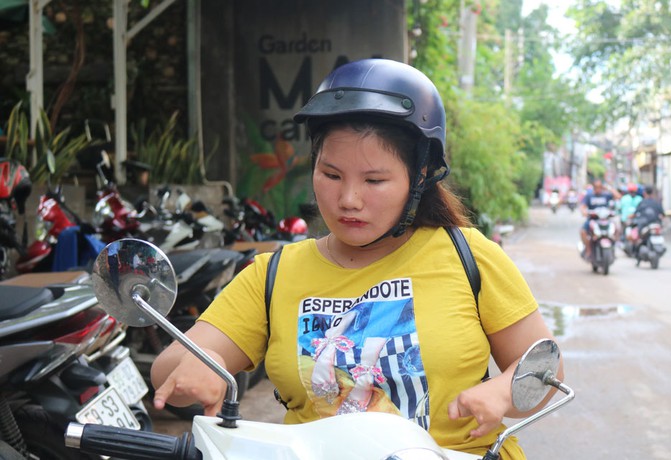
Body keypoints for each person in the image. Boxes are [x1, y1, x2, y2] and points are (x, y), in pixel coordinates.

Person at [150, 58, 562, 459]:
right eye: (331, 175)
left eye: (374, 180)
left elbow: (547, 369)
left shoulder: (469, 255)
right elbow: (166, 368)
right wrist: (208, 364)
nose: (348, 199)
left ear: (419, 177)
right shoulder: (273, 274)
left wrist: (504, 391)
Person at [579, 179, 615, 260]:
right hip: (593, 220)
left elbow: (618, 197)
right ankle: (589, 250)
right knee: (583, 232)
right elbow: (583, 206)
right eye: (596, 187)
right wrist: (584, 211)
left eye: (600, 187)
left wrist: (609, 188)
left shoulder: (606, 195)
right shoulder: (589, 196)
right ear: (593, 188)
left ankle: (614, 247)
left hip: (605, 220)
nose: (598, 189)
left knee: (616, 228)